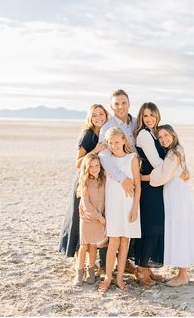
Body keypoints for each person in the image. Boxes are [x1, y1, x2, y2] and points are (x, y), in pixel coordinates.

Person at [147, 124, 194, 286]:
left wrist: (140, 177)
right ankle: (181, 273)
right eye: (160, 137)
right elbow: (184, 172)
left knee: (180, 229)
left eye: (166, 135)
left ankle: (183, 275)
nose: (163, 139)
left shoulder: (175, 152)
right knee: (178, 229)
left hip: (177, 194)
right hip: (174, 192)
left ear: (173, 135)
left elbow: (163, 175)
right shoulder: (174, 151)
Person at [58, 104, 108, 272]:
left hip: (99, 184)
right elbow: (78, 163)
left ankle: (96, 265)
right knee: (81, 221)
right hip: (85, 183)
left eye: (102, 114)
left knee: (98, 220)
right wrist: (95, 150)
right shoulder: (87, 135)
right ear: (90, 117)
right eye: (95, 115)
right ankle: (80, 265)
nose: (99, 117)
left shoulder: (105, 132)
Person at [98, 89, 137, 273]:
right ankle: (107, 269)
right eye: (116, 104)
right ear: (112, 107)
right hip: (118, 181)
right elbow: (104, 156)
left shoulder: (135, 123)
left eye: (123, 103)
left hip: (136, 175)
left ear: (129, 103)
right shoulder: (108, 127)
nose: (120, 107)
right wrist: (122, 179)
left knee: (129, 224)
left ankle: (128, 264)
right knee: (113, 228)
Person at [99, 127, 141, 291]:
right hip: (113, 206)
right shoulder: (107, 161)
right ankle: (108, 276)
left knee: (125, 242)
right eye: (110, 143)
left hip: (129, 205)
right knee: (113, 242)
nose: (114, 145)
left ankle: (120, 278)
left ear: (124, 140)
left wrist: (135, 208)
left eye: (117, 142)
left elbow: (137, 186)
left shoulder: (132, 158)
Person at [133, 102, 166, 286]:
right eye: (145, 116)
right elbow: (156, 162)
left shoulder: (155, 132)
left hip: (156, 184)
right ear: (141, 118)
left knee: (156, 226)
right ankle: (141, 269)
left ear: (157, 115)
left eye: (152, 115)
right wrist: (174, 169)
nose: (149, 119)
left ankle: (147, 267)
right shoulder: (144, 135)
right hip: (149, 187)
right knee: (150, 226)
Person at [74, 154, 108, 286]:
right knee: (84, 246)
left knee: (94, 245)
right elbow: (86, 204)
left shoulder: (103, 180)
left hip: (99, 218)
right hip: (88, 218)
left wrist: (102, 216)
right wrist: (99, 217)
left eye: (97, 166)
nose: (94, 168)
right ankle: (79, 272)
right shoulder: (84, 182)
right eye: (91, 166)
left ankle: (91, 271)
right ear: (87, 168)